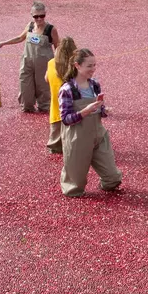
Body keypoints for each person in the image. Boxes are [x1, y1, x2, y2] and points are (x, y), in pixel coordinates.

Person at [58, 48, 122, 197]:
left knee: (113, 179)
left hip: (98, 134)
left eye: (94, 65)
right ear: (77, 66)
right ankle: (70, 178)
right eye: (89, 66)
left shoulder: (94, 84)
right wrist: (85, 111)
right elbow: (66, 119)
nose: (93, 69)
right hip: (77, 138)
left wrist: (104, 110)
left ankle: (105, 182)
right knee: (74, 189)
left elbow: (99, 107)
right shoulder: (67, 89)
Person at [0, 2, 59, 113]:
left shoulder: (50, 29)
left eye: (42, 16)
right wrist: (2, 43)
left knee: (43, 89)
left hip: (43, 65)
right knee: (25, 87)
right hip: (27, 62)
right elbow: (20, 38)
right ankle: (28, 106)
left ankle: (44, 108)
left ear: (45, 14)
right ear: (31, 15)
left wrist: (57, 65)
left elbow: (58, 46)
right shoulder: (30, 26)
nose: (39, 19)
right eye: (36, 16)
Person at [45, 37, 76, 154]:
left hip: (56, 107)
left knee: (55, 146)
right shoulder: (75, 65)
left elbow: (46, 79)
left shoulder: (51, 63)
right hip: (73, 108)